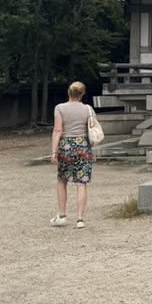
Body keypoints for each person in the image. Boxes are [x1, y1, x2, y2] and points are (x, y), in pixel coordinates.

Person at [50, 81, 95, 229]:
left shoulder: (60, 108)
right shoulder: (88, 109)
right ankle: (80, 219)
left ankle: (62, 215)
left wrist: (54, 151)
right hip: (83, 145)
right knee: (81, 183)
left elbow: (58, 130)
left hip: (66, 146)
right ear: (82, 94)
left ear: (69, 92)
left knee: (62, 180)